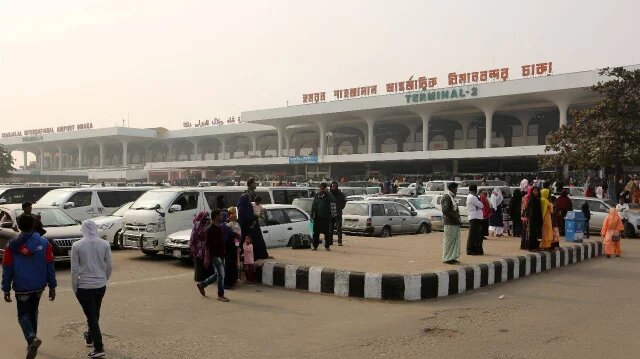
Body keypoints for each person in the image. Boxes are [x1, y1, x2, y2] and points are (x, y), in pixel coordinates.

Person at [2, 214, 57, 359]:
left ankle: (31, 338)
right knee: (33, 312)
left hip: (21, 286)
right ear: (32, 226)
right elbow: (50, 265)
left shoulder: (12, 245)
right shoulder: (44, 243)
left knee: (23, 315)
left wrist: (5, 288)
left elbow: (7, 268)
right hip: (39, 286)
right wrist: (52, 286)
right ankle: (32, 340)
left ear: (18, 226)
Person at [71, 220, 113, 359]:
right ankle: (89, 336)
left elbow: (75, 270)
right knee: (94, 312)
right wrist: (104, 279)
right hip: (100, 285)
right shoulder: (105, 244)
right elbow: (109, 266)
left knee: (91, 316)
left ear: (82, 229)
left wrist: (74, 286)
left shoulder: (77, 245)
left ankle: (99, 346)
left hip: (85, 285)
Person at [196, 209, 229, 302]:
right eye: (220, 215)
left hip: (221, 254)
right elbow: (207, 245)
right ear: (216, 216)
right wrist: (207, 258)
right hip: (215, 255)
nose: (221, 217)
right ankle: (220, 295)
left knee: (218, 274)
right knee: (221, 275)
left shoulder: (220, 227)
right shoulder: (209, 229)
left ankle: (202, 284)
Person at [237, 178, 269, 260]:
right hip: (248, 223)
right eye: (254, 183)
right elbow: (242, 209)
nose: (256, 184)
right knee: (249, 238)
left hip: (254, 220)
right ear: (250, 184)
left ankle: (259, 255)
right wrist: (250, 218)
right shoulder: (246, 196)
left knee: (257, 238)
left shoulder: (253, 195)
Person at [311, 182, 336, 251]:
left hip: (326, 217)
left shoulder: (328, 195)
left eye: (322, 188)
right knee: (316, 233)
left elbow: (333, 200)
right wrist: (312, 214)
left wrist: (327, 192)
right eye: (320, 188)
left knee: (326, 233)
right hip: (317, 217)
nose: (321, 190)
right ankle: (315, 246)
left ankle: (327, 246)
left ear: (325, 188)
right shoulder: (317, 195)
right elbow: (313, 205)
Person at [441, 182, 461, 264]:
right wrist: (455, 219)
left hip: (454, 222)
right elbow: (445, 210)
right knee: (449, 241)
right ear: (452, 189)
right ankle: (447, 258)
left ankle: (452, 257)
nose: (457, 190)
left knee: (454, 241)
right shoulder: (447, 197)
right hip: (450, 222)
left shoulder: (451, 197)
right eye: (456, 188)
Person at [190, 211, 212, 283]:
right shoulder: (202, 225)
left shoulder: (197, 225)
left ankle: (200, 278)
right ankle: (205, 278)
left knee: (200, 262)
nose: (207, 220)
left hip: (200, 248)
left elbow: (192, 238)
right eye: (206, 218)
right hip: (202, 248)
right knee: (202, 262)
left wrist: (192, 245)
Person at [222, 212, 241, 289]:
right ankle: (232, 280)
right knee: (232, 264)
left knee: (229, 265)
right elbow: (238, 236)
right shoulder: (235, 226)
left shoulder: (225, 226)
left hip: (228, 248)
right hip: (233, 247)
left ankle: (229, 282)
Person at [466, 184, 484, 255]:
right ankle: (470, 250)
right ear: (475, 190)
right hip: (474, 217)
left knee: (476, 235)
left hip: (476, 217)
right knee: (472, 235)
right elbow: (481, 205)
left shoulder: (473, 196)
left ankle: (474, 249)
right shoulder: (472, 197)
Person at [523, 187, 543, 251]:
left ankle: (536, 247)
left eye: (537, 191)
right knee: (532, 234)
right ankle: (531, 247)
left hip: (538, 219)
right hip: (532, 219)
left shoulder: (538, 199)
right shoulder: (532, 200)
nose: (536, 192)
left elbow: (539, 210)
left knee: (537, 234)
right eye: (534, 191)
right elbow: (529, 210)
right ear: (532, 192)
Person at [330, 181, 346, 246]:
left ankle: (339, 241)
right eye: (332, 186)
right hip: (331, 213)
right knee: (330, 228)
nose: (333, 187)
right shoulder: (329, 194)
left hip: (338, 213)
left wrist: (340, 208)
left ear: (336, 186)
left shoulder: (340, 194)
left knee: (339, 228)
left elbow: (344, 202)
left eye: (334, 186)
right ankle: (330, 241)